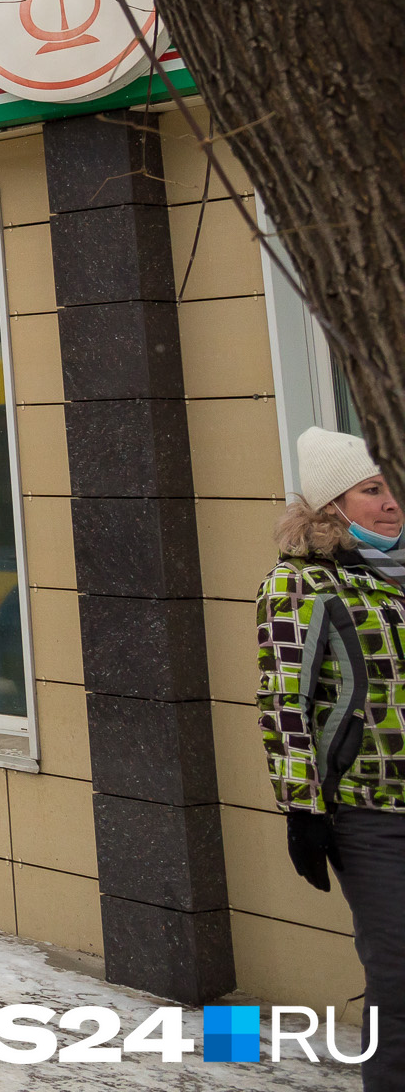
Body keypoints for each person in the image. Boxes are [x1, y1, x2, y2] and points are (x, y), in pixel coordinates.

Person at [261, 426, 405, 1090]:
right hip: (371, 811)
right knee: (400, 973)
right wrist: (304, 812)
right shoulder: (301, 586)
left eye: (392, 486)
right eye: (372, 490)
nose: (390, 502)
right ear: (331, 506)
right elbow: (283, 705)